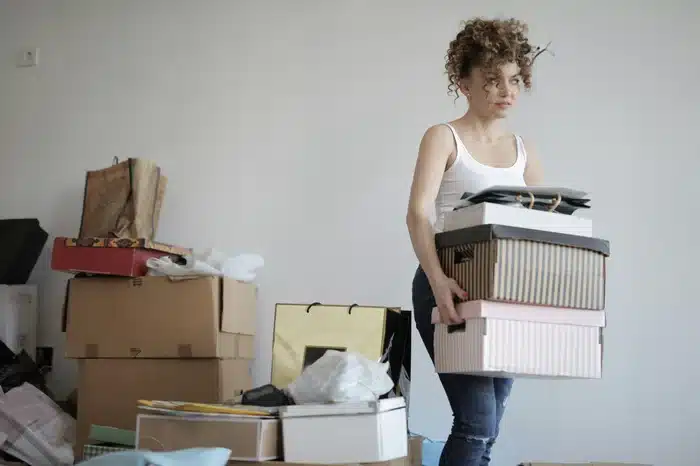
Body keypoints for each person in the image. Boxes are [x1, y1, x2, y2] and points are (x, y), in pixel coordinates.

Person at [405, 18, 546, 466]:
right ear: (464, 84)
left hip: (504, 293)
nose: (507, 91)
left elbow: (540, 229)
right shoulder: (442, 137)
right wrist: (438, 280)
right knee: (477, 421)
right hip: (449, 283)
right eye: (492, 80)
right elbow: (417, 214)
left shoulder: (524, 150)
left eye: (513, 80)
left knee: (490, 425)